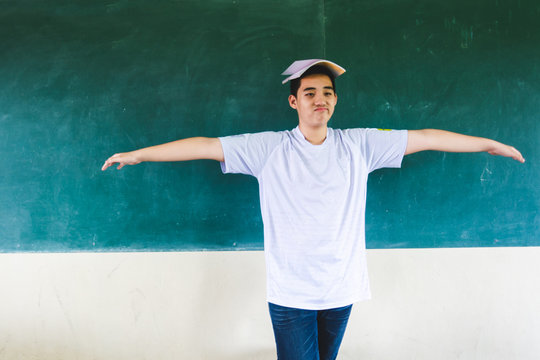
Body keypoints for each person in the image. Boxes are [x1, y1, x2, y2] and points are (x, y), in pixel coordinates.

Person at [102, 59, 525, 360]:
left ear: (335, 102)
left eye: (327, 93)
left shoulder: (359, 144)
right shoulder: (268, 148)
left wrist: (488, 144)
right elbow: (207, 147)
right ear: (294, 103)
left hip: (342, 288)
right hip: (291, 294)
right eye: (309, 93)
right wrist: (141, 154)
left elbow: (427, 137)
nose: (319, 99)